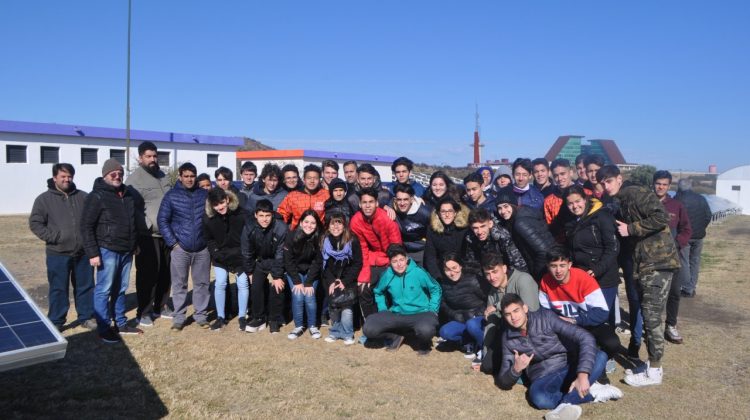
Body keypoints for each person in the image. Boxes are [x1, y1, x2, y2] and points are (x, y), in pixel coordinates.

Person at [597, 164, 680, 386]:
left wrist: (631, 229)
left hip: (658, 262)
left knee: (652, 317)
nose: (606, 186)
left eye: (609, 181)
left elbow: (662, 216)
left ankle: (654, 371)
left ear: (619, 179)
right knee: (647, 313)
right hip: (645, 263)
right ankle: (651, 365)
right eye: (602, 183)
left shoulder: (636, 193)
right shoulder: (621, 200)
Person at [497, 294, 622, 419]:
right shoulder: (508, 338)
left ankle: (566, 402)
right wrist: (516, 369)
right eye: (508, 314)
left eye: (516, 310)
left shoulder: (545, 317)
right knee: (538, 398)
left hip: (569, 367)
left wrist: (583, 374)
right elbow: (502, 381)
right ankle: (591, 393)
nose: (513, 317)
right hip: (544, 376)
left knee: (600, 356)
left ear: (525, 308)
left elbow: (585, 337)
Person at [80, 158, 141, 343]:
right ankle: (104, 327)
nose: (117, 176)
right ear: (105, 175)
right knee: (104, 290)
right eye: (113, 173)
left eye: (120, 173)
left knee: (121, 288)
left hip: (126, 250)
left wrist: (134, 245)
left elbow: (132, 222)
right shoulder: (96, 196)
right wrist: (92, 253)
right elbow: (86, 226)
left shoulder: (128, 195)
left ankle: (120, 323)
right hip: (107, 249)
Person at [29, 163, 95, 331]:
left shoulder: (83, 197)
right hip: (57, 253)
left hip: (82, 253)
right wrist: (55, 237)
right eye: (63, 176)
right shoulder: (44, 199)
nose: (67, 179)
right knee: (58, 288)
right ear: (55, 178)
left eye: (69, 176)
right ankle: (57, 321)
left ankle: (86, 317)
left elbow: (92, 221)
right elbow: (36, 223)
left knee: (85, 286)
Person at [538, 246, 622, 373]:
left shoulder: (583, 278)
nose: (558, 270)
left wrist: (575, 320)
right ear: (548, 266)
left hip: (587, 322)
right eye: (553, 266)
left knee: (613, 343)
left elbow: (602, 312)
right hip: (563, 326)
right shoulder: (545, 281)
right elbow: (545, 311)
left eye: (562, 265)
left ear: (569, 264)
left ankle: (603, 358)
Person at [158, 163, 211, 331]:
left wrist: (208, 240)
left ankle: (201, 315)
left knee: (202, 283)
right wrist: (173, 243)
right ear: (180, 177)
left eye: (192, 176)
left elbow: (211, 217)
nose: (189, 179)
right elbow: (162, 220)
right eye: (186, 176)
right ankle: (179, 317)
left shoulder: (204, 195)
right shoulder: (171, 196)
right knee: (179, 284)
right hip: (181, 248)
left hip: (202, 248)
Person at [362, 244, 442, 355]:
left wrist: (433, 309)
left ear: (407, 259)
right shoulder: (387, 274)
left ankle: (424, 343)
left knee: (426, 330)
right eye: (395, 261)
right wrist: (383, 309)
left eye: (401, 260)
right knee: (369, 328)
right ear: (390, 262)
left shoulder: (418, 272)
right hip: (397, 313)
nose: (399, 264)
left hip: (421, 313)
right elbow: (378, 292)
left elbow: (435, 289)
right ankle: (395, 337)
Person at [125, 141, 173, 327]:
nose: (153, 159)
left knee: (165, 273)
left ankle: (160, 306)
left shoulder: (163, 176)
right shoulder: (133, 181)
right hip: (147, 236)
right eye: (148, 156)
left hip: (167, 234)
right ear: (140, 158)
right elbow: (132, 209)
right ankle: (143, 311)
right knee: (147, 275)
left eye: (155, 156)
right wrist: (147, 224)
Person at [563, 185, 621, 328]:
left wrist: (597, 269)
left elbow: (613, 247)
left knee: (602, 318)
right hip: (583, 277)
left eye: (578, 201)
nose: (575, 206)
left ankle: (608, 348)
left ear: (585, 199)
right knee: (586, 317)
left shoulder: (602, 216)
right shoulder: (571, 222)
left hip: (604, 277)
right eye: (570, 203)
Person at [478, 253, 539, 374]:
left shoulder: (523, 280)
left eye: (495, 272)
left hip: (529, 332)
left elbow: (532, 311)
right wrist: (485, 352)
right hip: (507, 333)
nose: (491, 277)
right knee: (487, 366)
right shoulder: (492, 292)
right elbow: (491, 324)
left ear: (504, 268)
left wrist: (498, 306)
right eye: (487, 274)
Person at [350, 188, 402, 318]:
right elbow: (362, 249)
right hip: (371, 260)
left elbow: (397, 247)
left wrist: (393, 266)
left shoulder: (387, 219)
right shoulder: (356, 221)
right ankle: (371, 323)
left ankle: (392, 324)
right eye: (364, 202)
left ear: (377, 203)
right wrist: (364, 274)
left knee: (391, 289)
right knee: (364, 289)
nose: (368, 205)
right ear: (360, 204)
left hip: (389, 261)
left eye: (371, 202)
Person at [653, 171, 692, 344]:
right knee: (653, 294)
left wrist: (677, 244)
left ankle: (671, 325)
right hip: (651, 258)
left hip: (672, 257)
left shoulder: (677, 206)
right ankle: (652, 327)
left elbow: (686, 229)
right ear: (653, 184)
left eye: (664, 184)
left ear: (669, 186)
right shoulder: (645, 203)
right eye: (657, 183)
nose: (660, 187)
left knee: (674, 292)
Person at [203, 188, 249, 331]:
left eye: (222, 203)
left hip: (240, 255)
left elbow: (248, 236)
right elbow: (209, 240)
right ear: (211, 205)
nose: (220, 207)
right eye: (216, 205)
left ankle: (242, 316)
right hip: (220, 256)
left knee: (242, 283)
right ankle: (221, 316)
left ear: (227, 200)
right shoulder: (208, 218)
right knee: (221, 283)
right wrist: (216, 254)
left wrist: (243, 255)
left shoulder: (241, 214)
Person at [241, 199, 288, 333]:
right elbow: (246, 252)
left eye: (268, 216)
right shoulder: (249, 228)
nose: (264, 219)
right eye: (261, 215)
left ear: (272, 215)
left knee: (277, 287)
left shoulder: (281, 228)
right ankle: (259, 317)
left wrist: (277, 275)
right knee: (256, 286)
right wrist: (250, 272)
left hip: (276, 261)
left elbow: (280, 254)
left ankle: (274, 318)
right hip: (260, 261)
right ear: (255, 215)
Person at [320, 211, 363, 345]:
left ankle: (347, 333)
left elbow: (357, 263)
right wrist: (332, 281)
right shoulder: (324, 240)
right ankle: (335, 332)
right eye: (333, 223)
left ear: (344, 225)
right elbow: (324, 264)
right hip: (331, 278)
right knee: (333, 306)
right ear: (328, 226)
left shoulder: (352, 240)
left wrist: (344, 281)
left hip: (347, 279)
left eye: (339, 223)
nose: (336, 227)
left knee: (346, 307)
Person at [495, 188, 556, 281]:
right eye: (499, 208)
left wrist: (536, 273)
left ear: (513, 205)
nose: (503, 211)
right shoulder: (524, 214)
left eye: (506, 206)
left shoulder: (520, 223)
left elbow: (543, 251)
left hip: (544, 270)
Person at [437, 254, 486, 366]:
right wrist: (453, 314)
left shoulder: (474, 280)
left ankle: (483, 347)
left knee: (472, 325)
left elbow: (488, 299)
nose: (452, 273)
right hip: (460, 319)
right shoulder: (444, 284)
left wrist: (477, 314)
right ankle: (470, 342)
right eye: (447, 270)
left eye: (454, 268)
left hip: (478, 319)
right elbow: (443, 304)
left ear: (461, 266)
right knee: (445, 332)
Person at [284, 210, 323, 340]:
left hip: (311, 272)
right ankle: (299, 326)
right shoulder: (291, 236)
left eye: (313, 223)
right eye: (306, 222)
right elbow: (288, 260)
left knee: (309, 296)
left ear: (317, 225)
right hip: (294, 272)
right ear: (300, 223)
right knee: (298, 295)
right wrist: (297, 281)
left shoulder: (320, 238)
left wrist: (308, 282)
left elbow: (318, 262)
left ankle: (312, 326)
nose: (309, 225)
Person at [461, 208, 528, 276]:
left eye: (483, 226)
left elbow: (518, 263)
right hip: (486, 273)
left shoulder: (502, 236)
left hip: (506, 273)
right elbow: (471, 263)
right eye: (475, 228)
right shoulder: (470, 238)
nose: (479, 232)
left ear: (490, 224)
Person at [674, 178, 712, 298]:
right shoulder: (701, 198)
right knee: (695, 261)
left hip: (684, 235)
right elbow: (708, 216)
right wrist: (702, 228)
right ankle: (691, 286)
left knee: (684, 261)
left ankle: (686, 288)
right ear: (690, 186)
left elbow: (674, 220)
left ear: (679, 187)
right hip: (699, 236)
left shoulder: (677, 199)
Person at [424, 197, 470, 281]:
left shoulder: (464, 229)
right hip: (442, 272)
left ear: (455, 213)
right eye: (443, 212)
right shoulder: (432, 231)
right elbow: (430, 256)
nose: (447, 215)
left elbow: (468, 254)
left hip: (463, 271)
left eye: (450, 211)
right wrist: (437, 277)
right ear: (438, 214)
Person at [277, 164, 329, 229]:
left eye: (315, 178)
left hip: (319, 234)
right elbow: (282, 214)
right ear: (304, 179)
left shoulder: (326, 195)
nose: (312, 181)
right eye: (309, 178)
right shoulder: (293, 195)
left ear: (319, 180)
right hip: (297, 234)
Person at [392, 183, 431, 265]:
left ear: (412, 199)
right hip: (403, 251)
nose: (402, 203)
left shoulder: (424, 213)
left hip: (421, 250)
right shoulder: (392, 209)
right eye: (399, 200)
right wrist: (386, 206)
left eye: (406, 199)